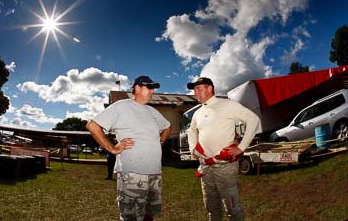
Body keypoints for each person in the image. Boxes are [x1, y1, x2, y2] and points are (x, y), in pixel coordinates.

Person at [87, 75, 172, 221]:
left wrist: (161, 141)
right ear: (137, 88)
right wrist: (113, 149)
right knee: (130, 216)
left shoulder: (152, 111)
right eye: (149, 87)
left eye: (154, 88)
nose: (152, 91)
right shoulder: (122, 106)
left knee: (149, 214)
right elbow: (92, 126)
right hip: (132, 173)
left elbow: (168, 127)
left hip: (154, 173)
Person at [186, 77, 260, 221]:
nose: (195, 93)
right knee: (211, 208)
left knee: (232, 208)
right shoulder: (198, 112)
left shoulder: (227, 105)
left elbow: (253, 120)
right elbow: (191, 131)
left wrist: (241, 147)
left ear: (209, 89)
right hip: (205, 167)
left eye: (199, 89)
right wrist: (192, 148)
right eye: (194, 90)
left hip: (225, 168)